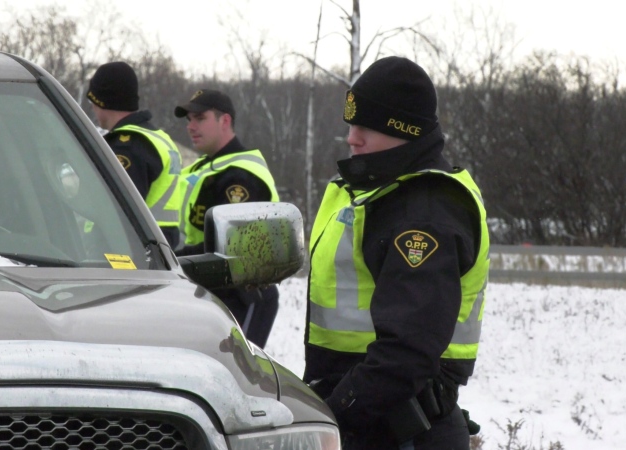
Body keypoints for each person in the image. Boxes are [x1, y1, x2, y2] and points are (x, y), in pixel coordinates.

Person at [303, 56, 490, 449]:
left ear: (404, 130)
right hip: (372, 419)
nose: (352, 137)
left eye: (365, 126)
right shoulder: (375, 191)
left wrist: (335, 414)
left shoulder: (424, 213)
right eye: (350, 124)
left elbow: (407, 352)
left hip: (394, 429)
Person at [173, 89, 281, 348]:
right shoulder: (205, 167)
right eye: (189, 120)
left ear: (225, 121)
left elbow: (230, 250)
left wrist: (172, 260)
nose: (191, 126)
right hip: (207, 294)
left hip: (239, 299)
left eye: (200, 118)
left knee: (233, 379)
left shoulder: (240, 177)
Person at [87, 61, 182, 249]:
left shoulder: (128, 145)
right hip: (156, 247)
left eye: (92, 102)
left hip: (130, 252)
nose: (92, 109)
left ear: (101, 101)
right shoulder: (158, 138)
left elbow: (117, 212)